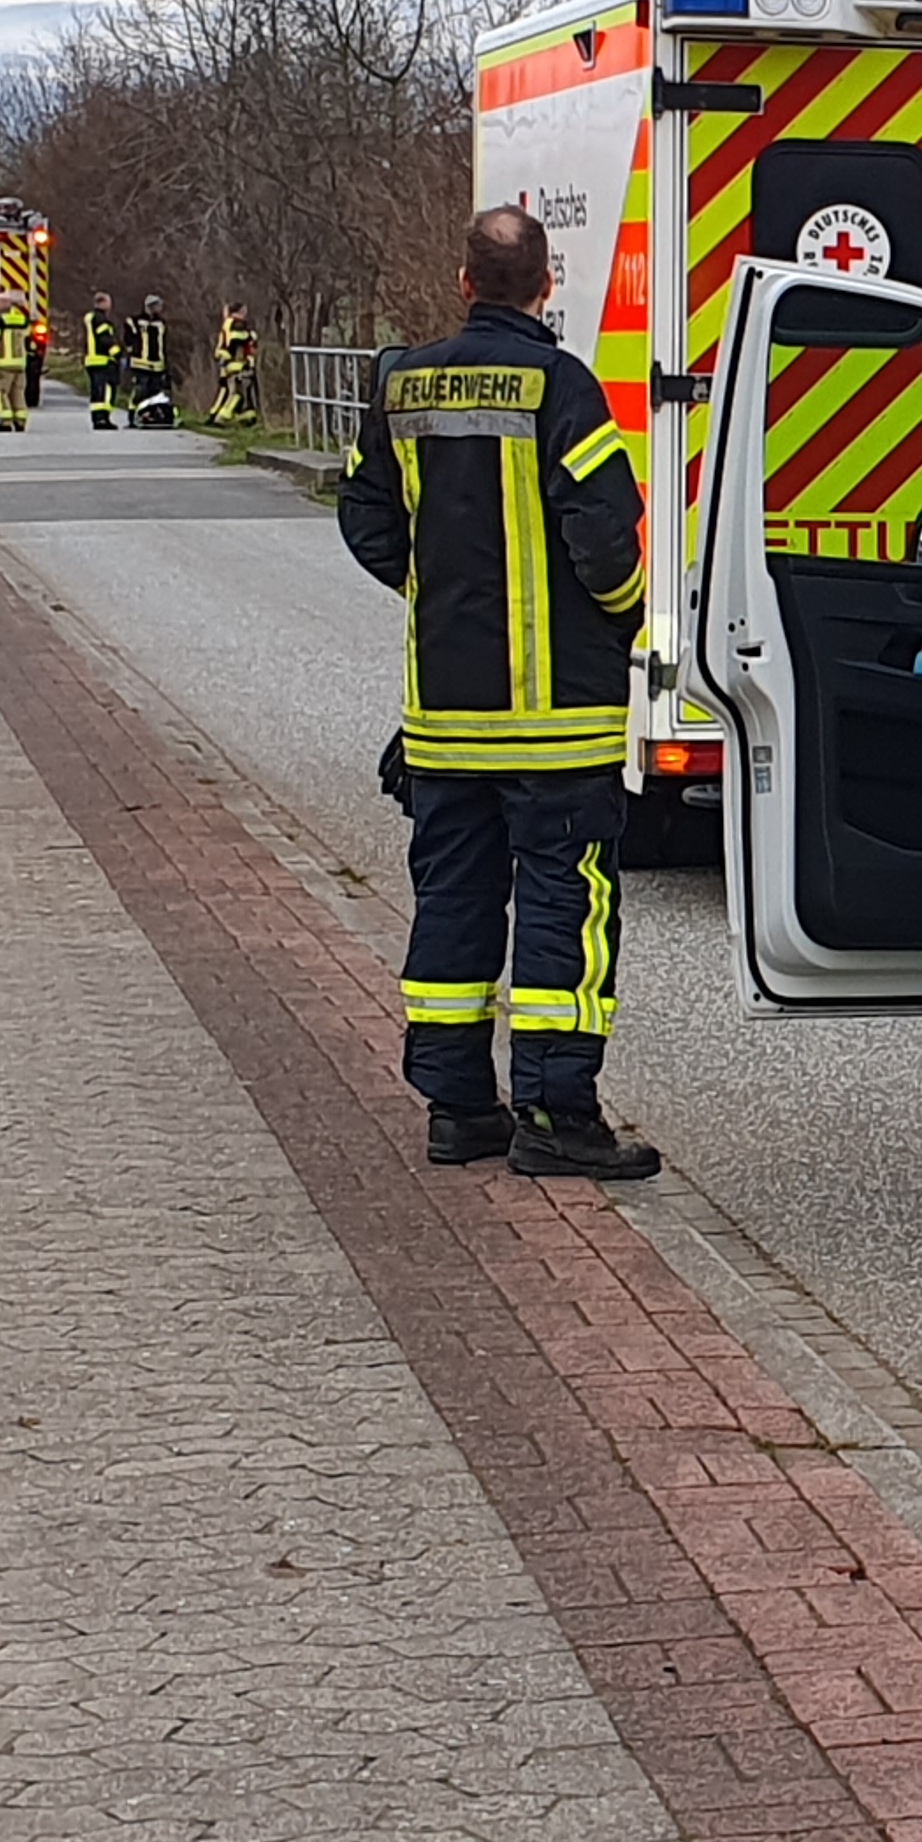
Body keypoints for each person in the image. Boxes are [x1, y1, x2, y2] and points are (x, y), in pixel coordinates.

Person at [339, 206, 657, 1178]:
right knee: (565, 907)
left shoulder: (402, 385)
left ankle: (458, 1110)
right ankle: (557, 1119)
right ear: (545, 286)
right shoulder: (562, 388)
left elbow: (364, 518)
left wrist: (439, 593)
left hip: (445, 720)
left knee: (455, 903)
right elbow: (606, 543)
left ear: (465, 282)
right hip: (559, 723)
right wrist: (623, 618)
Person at [0, 293, 34, 430]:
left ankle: (5, 422)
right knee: (18, 393)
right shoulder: (21, 320)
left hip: (3, 363)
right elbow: (29, 339)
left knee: (1, 392)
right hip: (20, 363)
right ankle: (20, 421)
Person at [127, 296, 173, 426]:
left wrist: (166, 365)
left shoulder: (161, 323)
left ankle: (150, 416)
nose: (160, 308)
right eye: (157, 306)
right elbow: (128, 340)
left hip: (158, 364)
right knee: (140, 390)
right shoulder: (135, 321)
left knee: (155, 391)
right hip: (140, 362)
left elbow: (163, 344)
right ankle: (132, 416)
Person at [212, 303, 259, 427]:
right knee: (236, 394)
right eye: (243, 310)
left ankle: (247, 418)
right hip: (236, 365)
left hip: (236, 365)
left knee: (244, 394)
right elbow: (236, 339)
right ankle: (221, 418)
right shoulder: (235, 323)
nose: (245, 313)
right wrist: (250, 336)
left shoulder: (232, 323)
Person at [83, 292, 123, 429]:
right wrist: (117, 353)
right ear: (102, 303)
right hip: (103, 360)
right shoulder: (101, 320)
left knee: (96, 391)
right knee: (106, 390)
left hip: (91, 359)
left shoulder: (90, 318)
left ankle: (97, 418)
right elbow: (105, 339)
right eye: (108, 302)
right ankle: (103, 418)